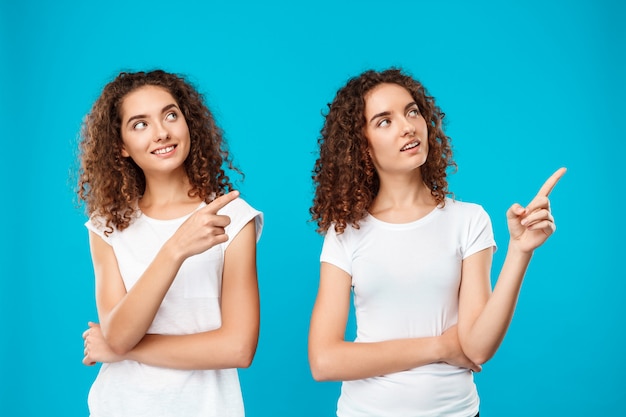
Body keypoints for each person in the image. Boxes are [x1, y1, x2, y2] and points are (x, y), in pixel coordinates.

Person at [308, 68, 565, 417]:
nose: (407, 126)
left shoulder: (469, 220)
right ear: (361, 147)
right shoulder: (345, 233)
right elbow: (324, 360)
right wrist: (440, 346)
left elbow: (476, 348)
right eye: (384, 121)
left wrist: (520, 251)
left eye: (412, 111)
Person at [77, 69, 263, 417]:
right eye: (140, 124)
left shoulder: (231, 217)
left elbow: (238, 348)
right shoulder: (106, 227)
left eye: (170, 115)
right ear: (120, 146)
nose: (162, 132)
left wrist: (125, 350)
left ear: (188, 122)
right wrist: (176, 248)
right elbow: (118, 334)